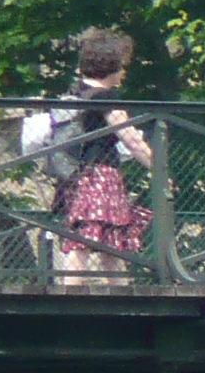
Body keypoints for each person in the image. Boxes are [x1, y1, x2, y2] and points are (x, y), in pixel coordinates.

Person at [49, 29, 153, 279]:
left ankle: (70, 296)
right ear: (112, 66)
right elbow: (131, 139)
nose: (124, 73)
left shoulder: (76, 91)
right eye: (122, 66)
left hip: (74, 176)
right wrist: (157, 166)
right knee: (107, 242)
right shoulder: (106, 97)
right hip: (101, 176)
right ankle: (107, 300)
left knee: (85, 239)